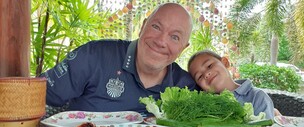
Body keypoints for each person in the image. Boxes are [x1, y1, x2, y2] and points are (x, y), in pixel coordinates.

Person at [40, 3, 198, 114]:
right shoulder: (94, 55)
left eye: (175, 37)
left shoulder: (185, 88)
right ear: (143, 27)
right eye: (156, 27)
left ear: (183, 48)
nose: (161, 41)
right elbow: (35, 96)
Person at [188, 50, 275, 119]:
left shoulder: (258, 97)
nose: (206, 74)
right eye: (199, 77)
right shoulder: (203, 106)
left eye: (209, 66)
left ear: (225, 63)